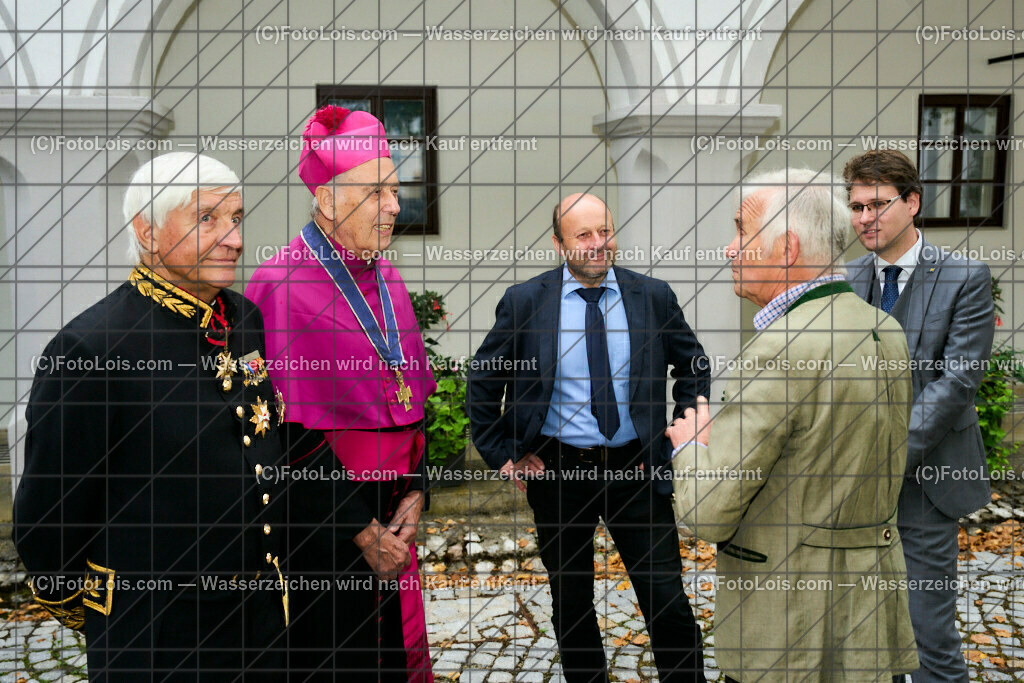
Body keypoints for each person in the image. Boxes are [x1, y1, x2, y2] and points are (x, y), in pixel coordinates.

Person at [14, 152, 288, 681]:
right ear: (148, 232)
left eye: (236, 219)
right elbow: (49, 517)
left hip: (257, 625)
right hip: (160, 639)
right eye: (207, 218)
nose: (233, 238)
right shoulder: (92, 347)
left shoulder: (243, 318)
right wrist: (113, 618)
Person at [667, 168, 919, 682]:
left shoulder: (779, 350)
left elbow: (707, 513)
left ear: (786, 249)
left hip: (788, 631)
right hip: (868, 622)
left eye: (741, 231)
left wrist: (690, 446)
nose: (730, 249)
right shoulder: (885, 328)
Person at [467, 192, 710, 682]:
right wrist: (505, 455)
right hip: (558, 472)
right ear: (559, 243)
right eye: (584, 235)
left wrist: (677, 436)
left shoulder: (652, 296)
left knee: (665, 596)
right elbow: (483, 381)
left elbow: (694, 366)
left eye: (606, 231)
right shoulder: (525, 302)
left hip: (636, 470)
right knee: (572, 599)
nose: (599, 243)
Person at [245, 105, 435, 682]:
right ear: (327, 200)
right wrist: (362, 530)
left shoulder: (387, 276)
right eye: (377, 192)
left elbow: (411, 400)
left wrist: (417, 490)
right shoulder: (278, 283)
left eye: (395, 191)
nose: (395, 206)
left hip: (392, 515)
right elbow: (281, 432)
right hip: (325, 528)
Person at [843, 149, 995, 682]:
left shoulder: (964, 276)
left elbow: (956, 383)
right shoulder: (845, 278)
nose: (866, 218)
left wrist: (884, 459)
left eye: (878, 204)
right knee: (864, 631)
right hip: (852, 483)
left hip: (926, 481)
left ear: (912, 202)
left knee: (928, 637)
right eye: (857, 207)